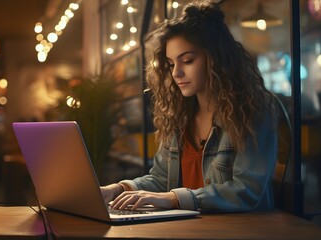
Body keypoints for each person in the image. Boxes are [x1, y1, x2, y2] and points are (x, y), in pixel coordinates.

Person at [101, 0, 278, 213]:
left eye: (188, 60)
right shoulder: (181, 114)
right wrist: (119, 188)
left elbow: (246, 190)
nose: (176, 73)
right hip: (189, 228)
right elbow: (160, 178)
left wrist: (174, 198)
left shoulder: (251, 109)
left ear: (215, 58)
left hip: (239, 230)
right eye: (171, 64)